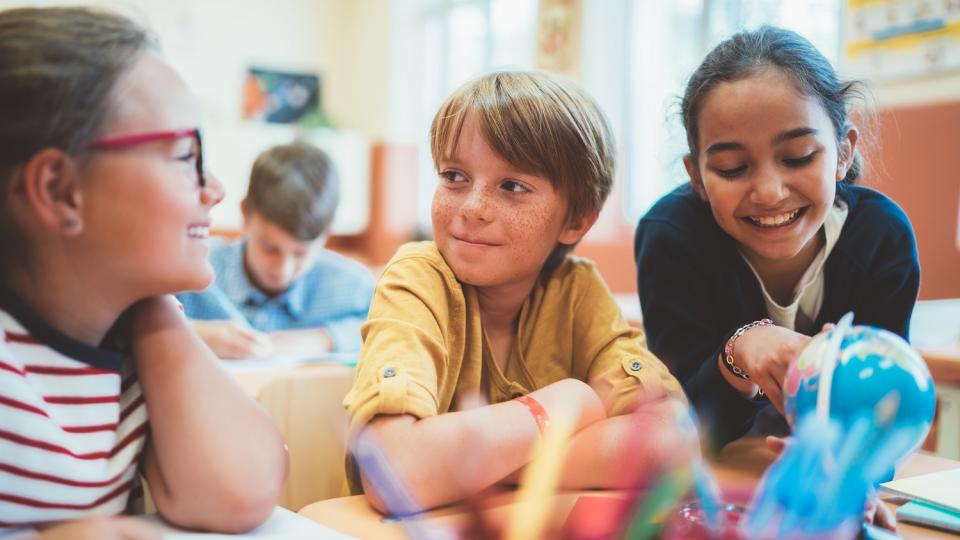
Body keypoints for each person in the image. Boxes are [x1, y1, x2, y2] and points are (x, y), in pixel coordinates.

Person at [0, 7, 287, 537]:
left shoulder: (133, 341)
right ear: (60, 191)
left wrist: (157, 311)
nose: (215, 188)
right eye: (186, 157)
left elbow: (241, 490)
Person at [343, 71, 687, 512]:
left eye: (512, 186)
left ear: (577, 220)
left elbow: (672, 443)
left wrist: (458, 468)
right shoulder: (417, 278)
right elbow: (393, 472)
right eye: (454, 176)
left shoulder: (575, 289)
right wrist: (567, 404)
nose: (472, 208)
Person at [634, 26, 920, 451]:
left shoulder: (881, 238)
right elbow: (679, 423)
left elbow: (886, 411)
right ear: (696, 176)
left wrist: (845, 464)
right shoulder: (672, 239)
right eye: (732, 167)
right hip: (713, 481)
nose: (769, 192)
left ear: (843, 153)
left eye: (798, 157)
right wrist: (737, 354)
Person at [177, 142, 375, 359]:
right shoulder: (192, 269)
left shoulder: (352, 287)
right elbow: (136, 322)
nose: (283, 269)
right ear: (245, 215)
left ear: (325, 236)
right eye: (270, 248)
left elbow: (390, 328)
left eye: (300, 253)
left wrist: (325, 338)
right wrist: (195, 335)